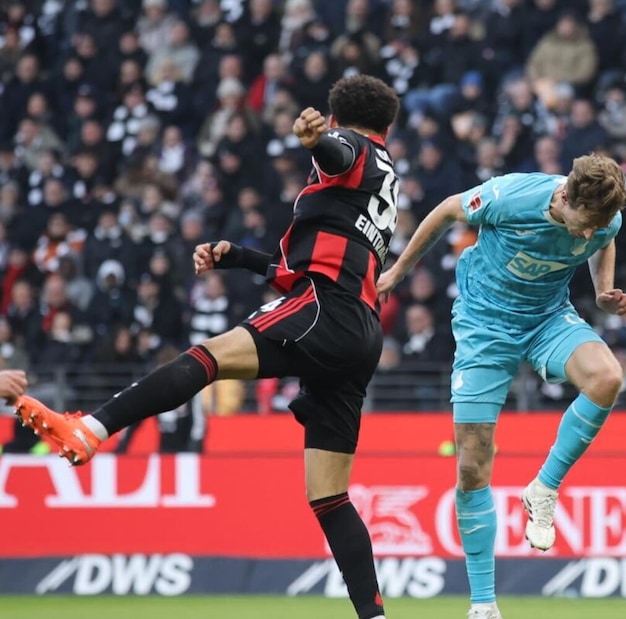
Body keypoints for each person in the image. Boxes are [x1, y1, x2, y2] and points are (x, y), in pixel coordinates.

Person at [14, 75, 402, 619]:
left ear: (337, 119)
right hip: (361, 330)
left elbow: (338, 154)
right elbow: (299, 261)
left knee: (209, 357)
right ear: (389, 127)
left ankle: (92, 427)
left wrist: (317, 142)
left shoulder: (350, 147)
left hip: (323, 307)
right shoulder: (386, 175)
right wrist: (237, 257)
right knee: (330, 498)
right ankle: (375, 617)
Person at [377, 155, 626, 619]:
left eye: (598, 226)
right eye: (584, 225)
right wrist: (397, 271)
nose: (587, 235)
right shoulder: (511, 196)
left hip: (547, 319)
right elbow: (447, 210)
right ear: (564, 197)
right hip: (484, 327)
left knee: (608, 377)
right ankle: (483, 605)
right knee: (472, 465)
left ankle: (544, 489)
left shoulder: (602, 220)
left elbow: (604, 239)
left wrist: (603, 290)